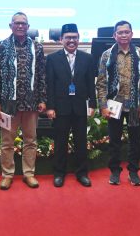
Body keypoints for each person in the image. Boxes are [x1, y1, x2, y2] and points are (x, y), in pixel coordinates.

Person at [0, 12, 47, 190]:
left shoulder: (37, 47)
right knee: (7, 142)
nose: (20, 26)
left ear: (28, 26)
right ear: (10, 25)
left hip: (30, 103)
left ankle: (29, 174)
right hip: (8, 104)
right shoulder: (2, 46)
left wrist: (43, 99)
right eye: (17, 23)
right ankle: (7, 175)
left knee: (30, 140)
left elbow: (41, 76)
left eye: (24, 23)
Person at [96, 20, 140, 186]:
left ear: (132, 34)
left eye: (127, 32)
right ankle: (114, 171)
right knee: (114, 140)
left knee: (135, 140)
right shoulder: (107, 55)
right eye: (120, 32)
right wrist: (103, 106)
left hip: (134, 105)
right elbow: (102, 82)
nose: (124, 35)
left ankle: (133, 172)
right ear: (114, 35)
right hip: (114, 105)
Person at [46, 23, 96, 187]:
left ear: (79, 39)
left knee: (81, 141)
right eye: (68, 38)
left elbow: (90, 83)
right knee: (61, 142)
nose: (72, 40)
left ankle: (82, 173)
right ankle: (59, 173)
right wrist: (50, 107)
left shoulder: (87, 58)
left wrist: (92, 104)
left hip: (80, 106)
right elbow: (50, 85)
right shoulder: (52, 59)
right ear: (61, 39)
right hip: (61, 107)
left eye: (75, 37)